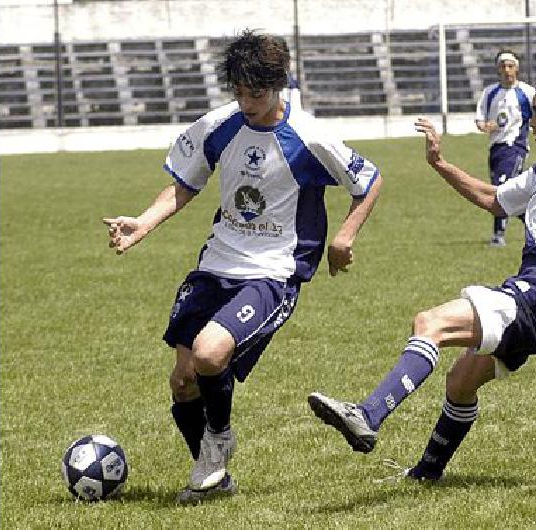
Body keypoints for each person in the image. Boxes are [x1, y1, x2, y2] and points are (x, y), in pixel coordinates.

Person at [308, 73, 536, 481]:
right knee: (460, 381)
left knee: (430, 323)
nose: (530, 122)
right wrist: (440, 164)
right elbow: (494, 200)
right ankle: (427, 474)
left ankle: (368, 415)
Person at [103, 29, 383, 503]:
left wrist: (343, 238)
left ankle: (220, 437)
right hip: (217, 263)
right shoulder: (220, 125)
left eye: (257, 93)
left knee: (210, 355)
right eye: (239, 92)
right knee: (183, 379)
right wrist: (143, 225)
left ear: (280, 85)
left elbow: (368, 180)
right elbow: (184, 184)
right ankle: (215, 476)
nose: (248, 103)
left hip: (273, 272)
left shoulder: (309, 137)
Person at [475, 50, 536, 247]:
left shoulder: (527, 92)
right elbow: (480, 119)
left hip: (515, 147)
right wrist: (485, 126)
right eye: (503, 66)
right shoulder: (490, 92)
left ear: (517, 68)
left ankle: (498, 235)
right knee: (508, 191)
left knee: (502, 189)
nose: (507, 70)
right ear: (498, 69)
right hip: (496, 148)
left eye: (510, 66)